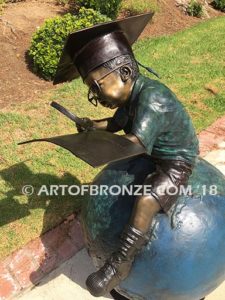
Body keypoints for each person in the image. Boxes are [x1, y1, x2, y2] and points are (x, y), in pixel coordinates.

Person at [54, 13, 200, 298]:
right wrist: (90, 125)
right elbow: (114, 124)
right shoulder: (132, 95)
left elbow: (133, 142)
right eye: (91, 92)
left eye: (97, 87)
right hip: (153, 153)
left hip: (176, 162)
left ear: (124, 73)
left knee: (146, 199)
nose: (96, 96)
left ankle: (119, 263)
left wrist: (94, 143)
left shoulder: (151, 99)